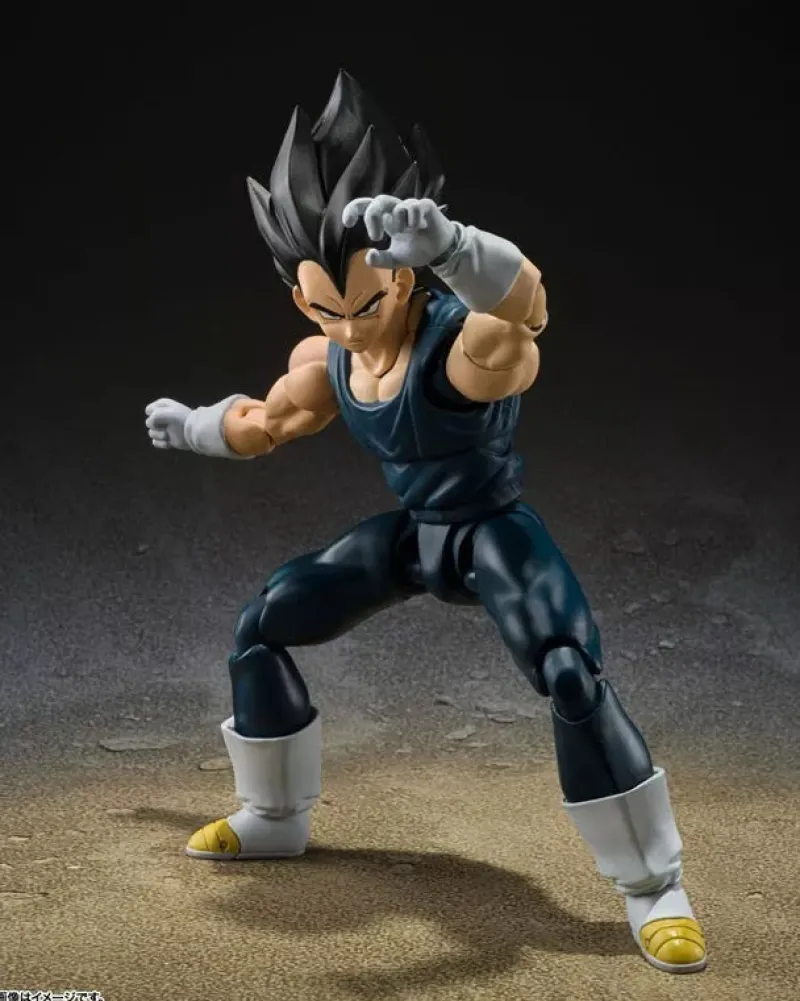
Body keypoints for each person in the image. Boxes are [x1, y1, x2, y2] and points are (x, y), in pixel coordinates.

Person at [144, 70, 706, 974]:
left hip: (492, 532)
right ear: (302, 299)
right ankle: (275, 817)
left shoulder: (457, 343)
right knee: (264, 623)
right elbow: (269, 422)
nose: (351, 326)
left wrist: (456, 246)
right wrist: (196, 427)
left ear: (404, 277)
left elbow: (524, 321)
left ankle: (654, 885)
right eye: (327, 308)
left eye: (367, 304)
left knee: (568, 671)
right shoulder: (329, 355)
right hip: (414, 538)